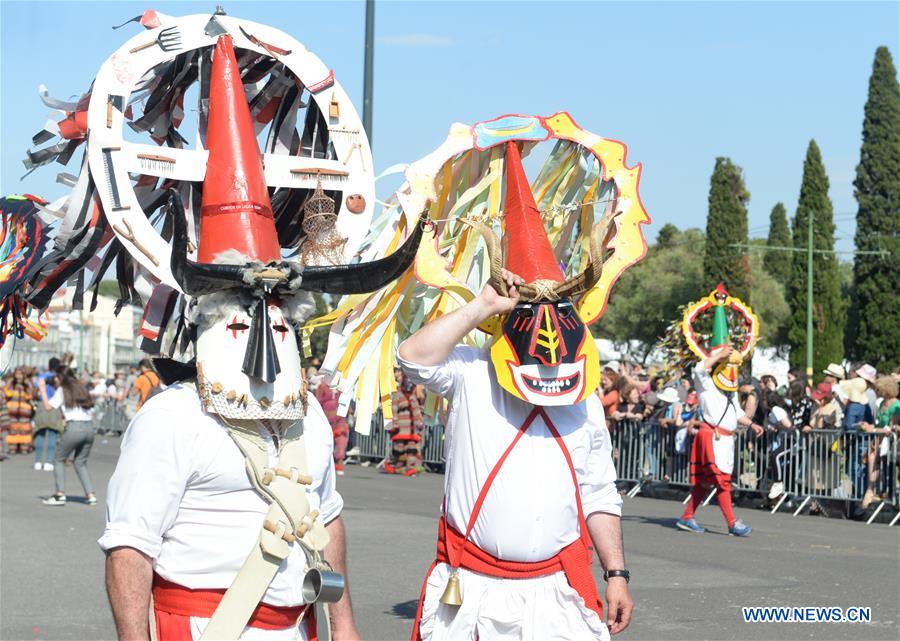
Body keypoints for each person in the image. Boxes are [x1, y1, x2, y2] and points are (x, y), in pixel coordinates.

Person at [96, 31, 420, 641]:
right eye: (244, 309)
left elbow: (326, 517)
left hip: (297, 627)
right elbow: (129, 549)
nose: (264, 333)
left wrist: (343, 624)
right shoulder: (171, 418)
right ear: (208, 318)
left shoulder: (308, 419)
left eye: (276, 310)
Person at [401, 141, 632, 641]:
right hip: (471, 592)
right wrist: (482, 306)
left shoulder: (587, 398)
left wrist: (616, 573)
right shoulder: (470, 371)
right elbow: (411, 358)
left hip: (557, 592)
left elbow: (598, 493)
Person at [674, 285, 764, 537]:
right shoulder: (706, 383)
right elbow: (699, 370)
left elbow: (736, 414)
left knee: (706, 482)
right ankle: (732, 523)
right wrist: (718, 354)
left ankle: (688, 516)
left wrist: (752, 423)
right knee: (722, 482)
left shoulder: (729, 391)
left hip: (725, 439)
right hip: (711, 437)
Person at [41, 366, 98, 506]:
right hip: (89, 427)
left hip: (74, 427)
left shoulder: (63, 389)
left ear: (60, 377)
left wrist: (42, 389)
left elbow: (48, 407)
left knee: (58, 458)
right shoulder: (81, 387)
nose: (54, 379)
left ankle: (60, 495)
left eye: (55, 376)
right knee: (80, 462)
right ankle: (90, 495)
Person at [858, 376, 900, 508]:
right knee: (871, 458)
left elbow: (892, 427)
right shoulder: (882, 404)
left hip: (890, 441)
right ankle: (872, 490)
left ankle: (876, 491)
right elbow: (881, 424)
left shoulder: (897, 405)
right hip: (880, 439)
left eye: (878, 389)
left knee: (883, 465)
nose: (876, 391)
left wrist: (873, 429)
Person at [385, 370, 425, 476]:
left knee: (411, 448)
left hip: (412, 429)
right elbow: (393, 409)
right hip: (401, 428)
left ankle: (410, 468)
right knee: (399, 447)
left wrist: (420, 422)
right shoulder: (397, 395)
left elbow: (416, 410)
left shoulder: (413, 396)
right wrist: (394, 423)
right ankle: (396, 465)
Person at [316, 383, 349, 476]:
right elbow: (317, 403)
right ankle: (324, 466)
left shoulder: (343, 386)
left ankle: (339, 464)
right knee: (324, 444)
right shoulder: (322, 386)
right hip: (326, 420)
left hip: (340, 421)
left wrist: (350, 410)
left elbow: (346, 401)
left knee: (341, 441)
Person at [5, 367, 35, 454]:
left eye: (20, 374)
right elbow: (7, 393)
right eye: (17, 374)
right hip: (12, 410)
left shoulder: (28, 384)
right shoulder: (11, 383)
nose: (18, 376)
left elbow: (30, 395)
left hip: (24, 411)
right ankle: (12, 448)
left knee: (24, 429)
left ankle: (24, 448)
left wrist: (27, 383)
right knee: (12, 429)